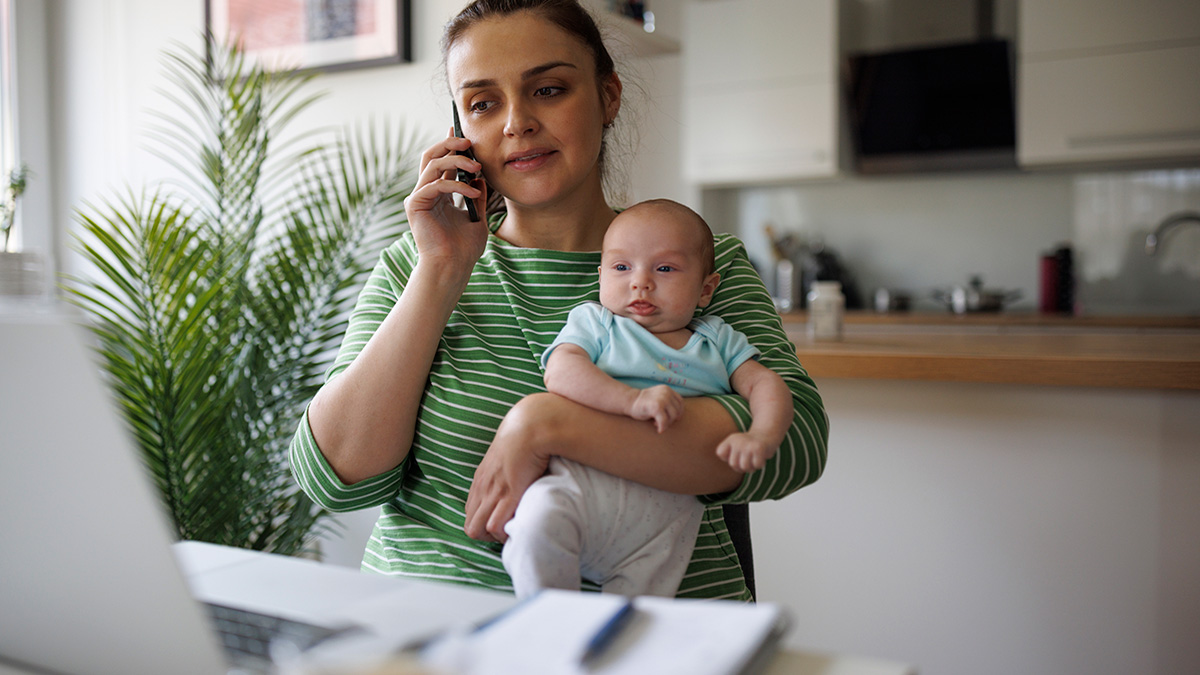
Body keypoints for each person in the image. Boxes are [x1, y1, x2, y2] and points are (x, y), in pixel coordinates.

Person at [289, 0, 827, 602]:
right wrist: (442, 270)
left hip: (651, 636)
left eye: (547, 89)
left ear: (608, 97)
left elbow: (796, 444)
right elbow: (336, 480)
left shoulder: (697, 263)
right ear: (460, 132)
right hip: (434, 626)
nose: (516, 122)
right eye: (483, 103)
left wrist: (546, 424)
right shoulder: (418, 264)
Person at [502, 199, 794, 599]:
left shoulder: (717, 339)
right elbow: (561, 371)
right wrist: (630, 401)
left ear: (706, 288)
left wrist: (761, 435)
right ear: (601, 274)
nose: (640, 282)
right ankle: (552, 626)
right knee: (538, 526)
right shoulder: (598, 322)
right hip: (580, 484)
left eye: (665, 269)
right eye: (622, 268)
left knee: (636, 626)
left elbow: (767, 385)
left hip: (665, 516)